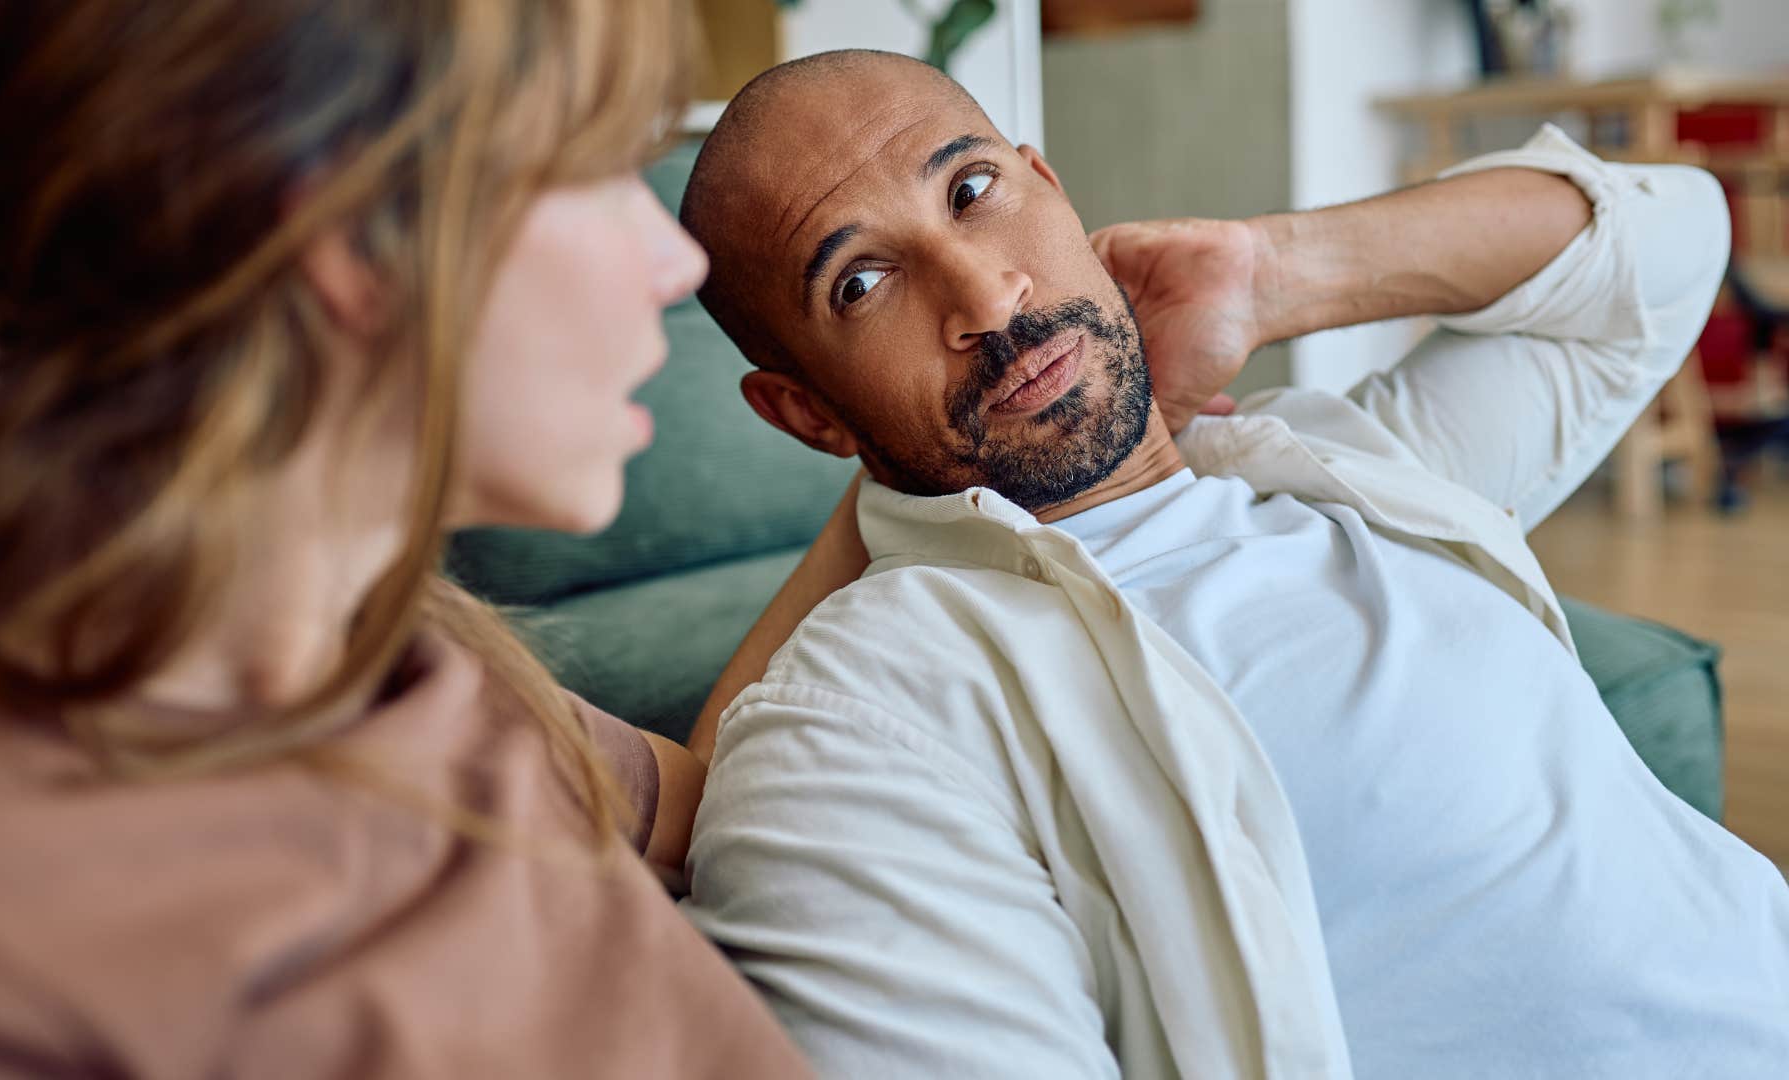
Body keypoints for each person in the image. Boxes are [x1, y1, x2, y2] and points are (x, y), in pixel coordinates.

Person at [677, 49, 1789, 1078]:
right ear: (802, 411)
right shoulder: (873, 705)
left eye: (972, 192)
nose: (985, 297)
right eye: (862, 285)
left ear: (1052, 187)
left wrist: (1271, 272)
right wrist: (882, 494)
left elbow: (1674, 234)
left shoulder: (1345, 463)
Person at [0, 2, 845, 1075]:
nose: (678, 265)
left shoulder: (422, 666)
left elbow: (728, 807)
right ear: (347, 239)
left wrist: (903, 484)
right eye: (604, 164)